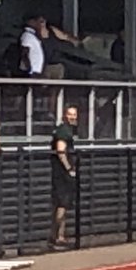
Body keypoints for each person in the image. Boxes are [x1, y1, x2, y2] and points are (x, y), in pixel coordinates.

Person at [48, 105, 78, 250]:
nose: (73, 117)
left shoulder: (67, 131)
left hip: (63, 174)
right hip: (62, 174)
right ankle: (56, 237)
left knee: (64, 205)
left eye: (74, 115)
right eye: (70, 114)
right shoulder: (63, 131)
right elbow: (61, 151)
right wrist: (69, 169)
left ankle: (60, 236)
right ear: (64, 116)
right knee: (62, 204)